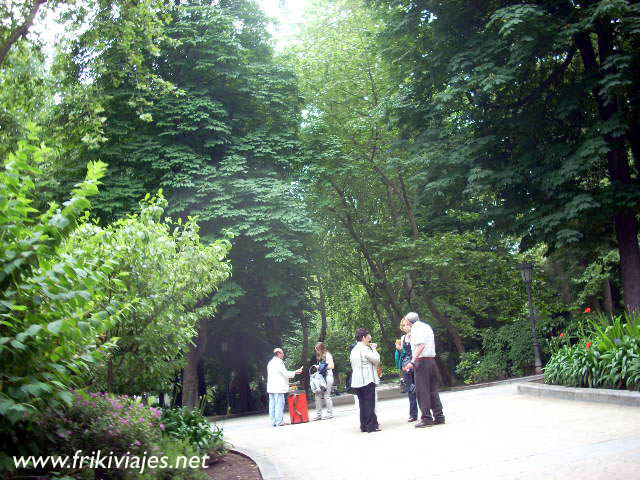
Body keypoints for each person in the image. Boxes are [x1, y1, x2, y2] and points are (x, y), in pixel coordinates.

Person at [402, 312, 445, 428]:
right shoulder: (426, 326)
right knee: (432, 390)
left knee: (422, 391)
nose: (405, 324)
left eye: (406, 322)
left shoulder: (416, 329)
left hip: (422, 362)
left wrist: (412, 361)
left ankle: (426, 418)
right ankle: (439, 416)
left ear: (409, 322)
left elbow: (421, 345)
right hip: (431, 360)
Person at [349, 328, 381, 433]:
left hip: (357, 380)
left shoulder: (353, 349)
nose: (370, 339)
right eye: (368, 336)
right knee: (369, 403)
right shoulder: (364, 349)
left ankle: (364, 425)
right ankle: (371, 426)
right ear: (363, 337)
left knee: (362, 403)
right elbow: (376, 360)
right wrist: (374, 349)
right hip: (367, 379)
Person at [267, 348, 303, 427]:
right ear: (278, 353)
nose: (283, 354)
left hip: (271, 387)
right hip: (278, 387)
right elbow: (285, 373)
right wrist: (296, 372)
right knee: (279, 404)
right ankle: (280, 422)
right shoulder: (278, 362)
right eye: (282, 353)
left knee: (272, 405)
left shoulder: (270, 362)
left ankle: (274, 422)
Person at [398, 317, 418, 422]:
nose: (407, 326)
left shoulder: (416, 335)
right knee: (411, 389)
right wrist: (399, 349)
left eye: (408, 324)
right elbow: (403, 353)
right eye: (404, 325)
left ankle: (426, 411)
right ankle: (413, 414)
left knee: (420, 388)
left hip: (416, 363)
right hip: (406, 365)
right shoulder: (403, 338)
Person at [313, 342, 334, 420]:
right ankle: (318, 415)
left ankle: (329, 413)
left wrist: (321, 367)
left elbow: (332, 366)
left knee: (326, 395)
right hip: (321, 378)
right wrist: (319, 367)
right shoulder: (320, 357)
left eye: (318, 350)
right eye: (316, 350)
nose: (317, 352)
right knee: (317, 395)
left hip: (328, 376)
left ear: (322, 349)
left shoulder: (327, 355)